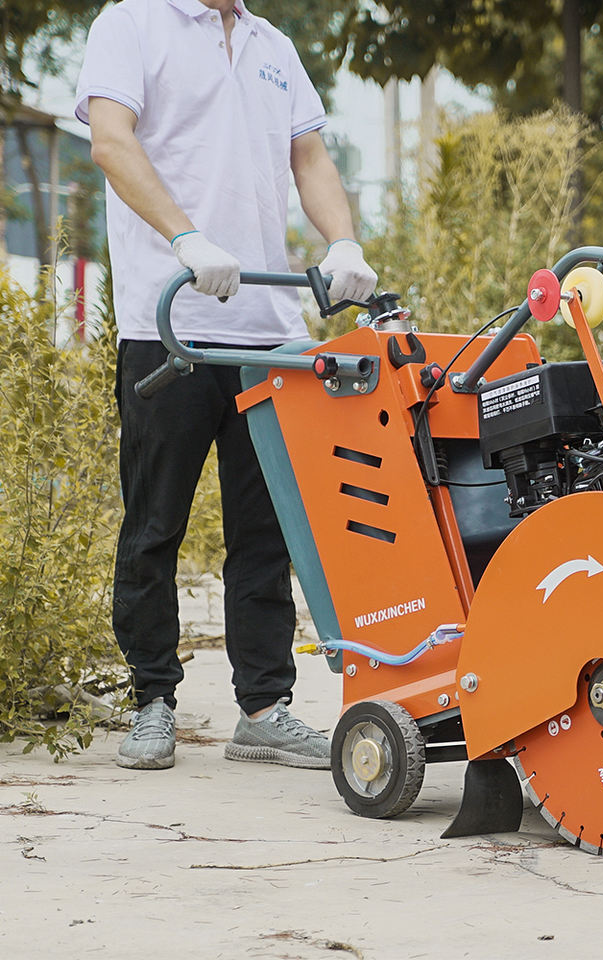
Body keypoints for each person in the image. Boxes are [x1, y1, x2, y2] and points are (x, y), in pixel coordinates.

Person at [75, 0, 377, 771]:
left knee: (266, 534)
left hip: (268, 332)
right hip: (170, 324)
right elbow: (111, 141)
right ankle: (152, 700)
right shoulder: (130, 23)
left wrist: (343, 241)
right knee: (155, 525)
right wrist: (186, 236)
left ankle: (264, 709)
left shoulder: (274, 46)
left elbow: (309, 157)